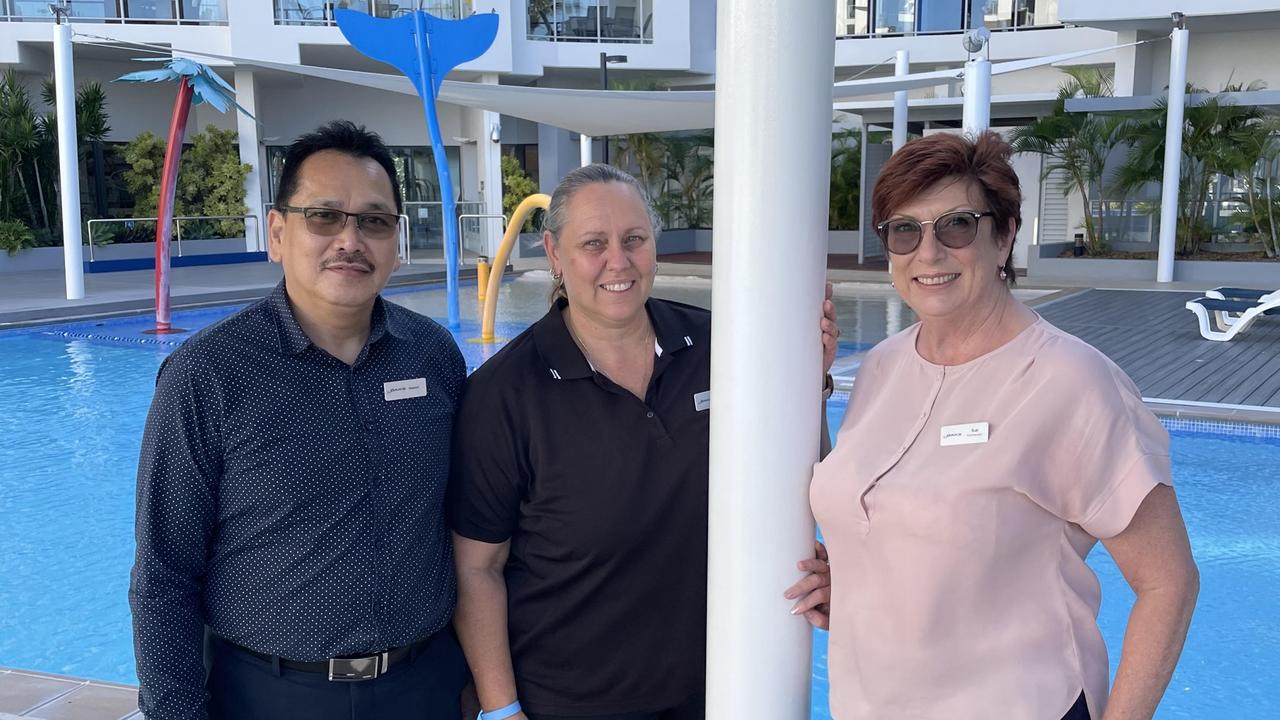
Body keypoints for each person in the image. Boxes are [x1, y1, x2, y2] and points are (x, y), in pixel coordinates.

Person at [786, 131, 1199, 720]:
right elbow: (868, 500)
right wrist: (855, 575)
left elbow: (1170, 584)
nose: (927, 254)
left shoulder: (1071, 381)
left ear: (1004, 237)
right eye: (905, 230)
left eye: (956, 226)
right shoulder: (880, 367)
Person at [448, 163, 839, 720]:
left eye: (635, 239)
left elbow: (810, 471)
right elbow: (477, 568)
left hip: (719, 690)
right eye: (593, 244)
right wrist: (501, 709)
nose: (619, 261)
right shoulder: (505, 393)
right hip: (570, 701)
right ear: (554, 253)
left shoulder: (719, 345)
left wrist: (811, 383)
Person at [129, 120, 469, 720]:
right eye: (324, 216)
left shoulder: (434, 356)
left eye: (373, 220)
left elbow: (466, 527)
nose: (350, 239)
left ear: (396, 241)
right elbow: (163, 578)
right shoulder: (207, 375)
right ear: (278, 233)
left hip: (424, 687)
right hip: (268, 694)